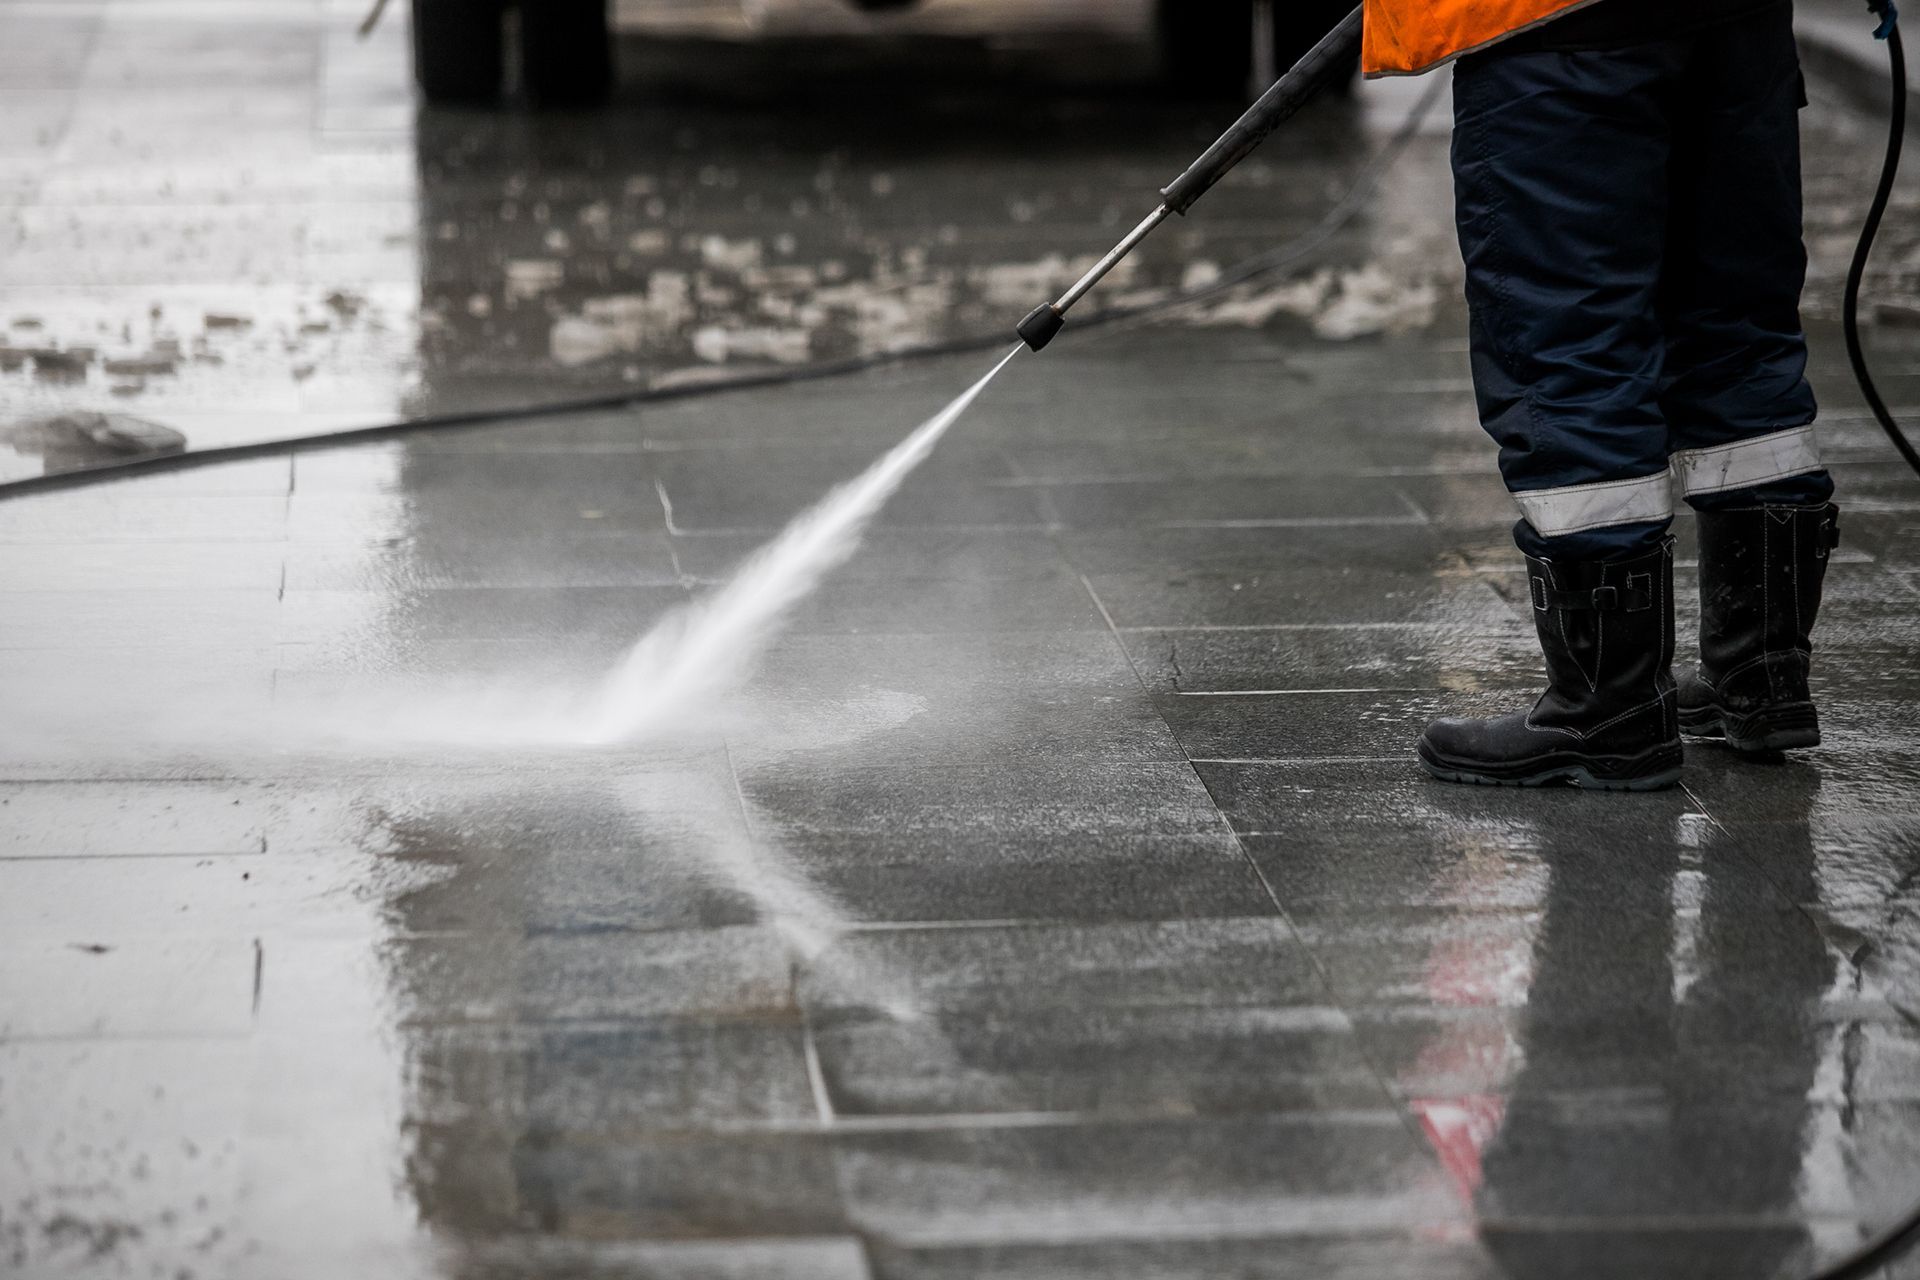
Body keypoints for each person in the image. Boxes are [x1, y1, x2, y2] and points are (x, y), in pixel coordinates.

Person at [1361, 0, 1842, 790]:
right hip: (1738, 19)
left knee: (1570, 344)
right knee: (1737, 331)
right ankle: (1762, 677)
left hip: (1556, 27)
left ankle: (1608, 710)